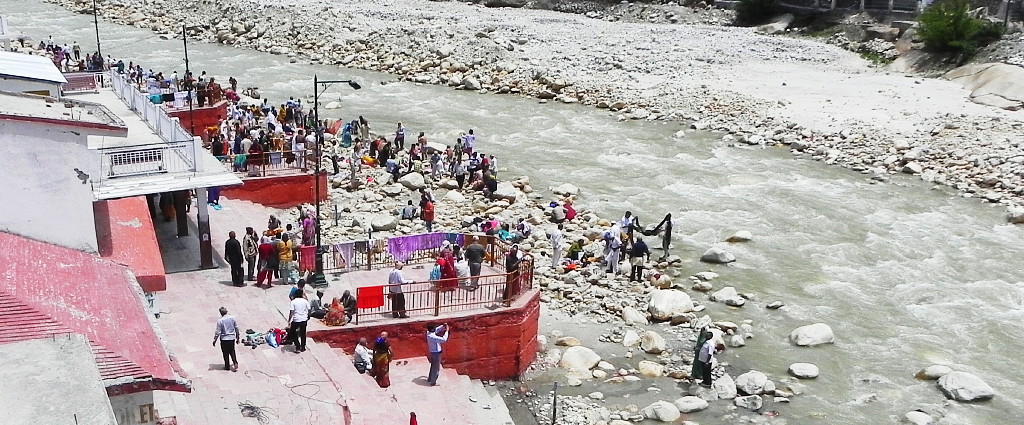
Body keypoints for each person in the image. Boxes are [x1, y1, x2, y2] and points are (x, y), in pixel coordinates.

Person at [213, 307, 239, 372]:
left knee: (225, 352)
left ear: (221, 313)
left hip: (224, 339)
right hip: (231, 338)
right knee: (232, 351)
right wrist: (238, 337)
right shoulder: (232, 318)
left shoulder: (220, 321)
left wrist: (215, 340)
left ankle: (227, 366)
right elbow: (236, 328)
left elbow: (218, 332)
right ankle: (235, 362)